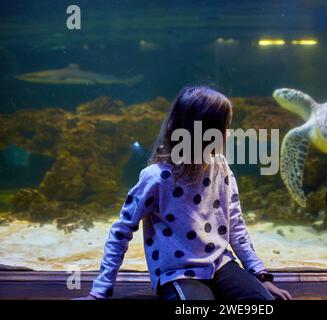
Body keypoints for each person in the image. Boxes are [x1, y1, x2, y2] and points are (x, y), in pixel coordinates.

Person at [86, 86, 292, 300]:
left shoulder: (220, 167)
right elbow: (120, 232)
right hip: (178, 272)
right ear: (204, 132)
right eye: (225, 126)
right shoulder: (156, 177)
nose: (229, 133)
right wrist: (100, 292)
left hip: (220, 263)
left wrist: (260, 275)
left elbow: (236, 224)